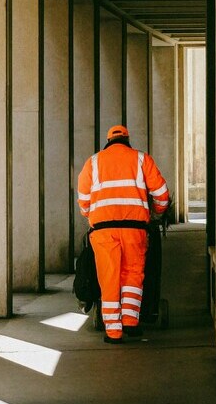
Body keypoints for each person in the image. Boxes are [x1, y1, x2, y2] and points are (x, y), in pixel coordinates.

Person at [77, 125, 170, 343]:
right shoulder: (141, 159)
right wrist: (156, 211)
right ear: (127, 140)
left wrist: (90, 213)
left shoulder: (93, 162)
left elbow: (83, 198)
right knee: (133, 274)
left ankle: (113, 332)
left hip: (103, 231)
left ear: (108, 141)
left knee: (109, 277)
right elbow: (162, 195)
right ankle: (131, 322)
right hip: (134, 228)